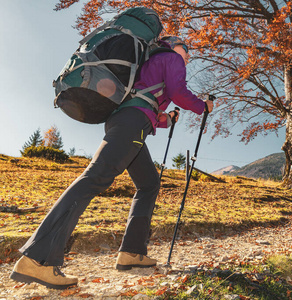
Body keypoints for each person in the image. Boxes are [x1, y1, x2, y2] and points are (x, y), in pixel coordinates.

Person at [9, 35, 214, 290]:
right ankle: (37, 259)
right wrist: (202, 106)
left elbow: (146, 103)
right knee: (95, 178)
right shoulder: (171, 58)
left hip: (128, 120)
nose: (188, 54)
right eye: (186, 48)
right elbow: (179, 92)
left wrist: (167, 119)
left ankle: (131, 252)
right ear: (172, 45)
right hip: (132, 123)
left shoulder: (149, 63)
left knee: (149, 183)